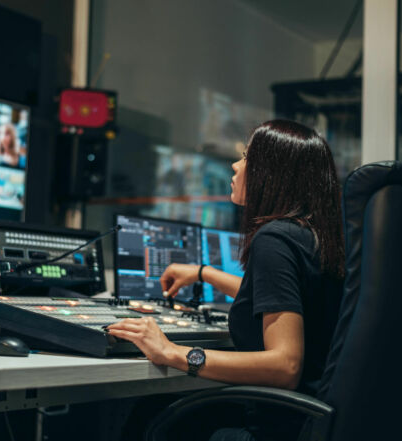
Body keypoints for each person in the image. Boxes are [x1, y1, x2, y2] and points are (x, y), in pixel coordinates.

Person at [108, 120, 345, 441]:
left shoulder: (274, 239)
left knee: (149, 413)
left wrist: (172, 351)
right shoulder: (314, 236)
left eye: (247, 156)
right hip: (314, 421)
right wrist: (204, 273)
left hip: (277, 427)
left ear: (271, 173)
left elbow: (285, 366)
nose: (236, 165)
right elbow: (282, 298)